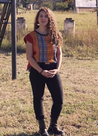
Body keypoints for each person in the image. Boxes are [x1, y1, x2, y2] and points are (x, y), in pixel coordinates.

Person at [24, 7, 64, 136]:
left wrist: (57, 69)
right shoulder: (31, 36)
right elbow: (29, 57)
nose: (43, 18)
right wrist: (41, 71)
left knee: (58, 99)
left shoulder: (55, 35)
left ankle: (53, 126)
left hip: (52, 69)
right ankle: (42, 128)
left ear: (49, 18)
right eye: (41, 16)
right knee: (38, 98)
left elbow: (59, 54)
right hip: (37, 70)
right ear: (37, 19)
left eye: (45, 16)